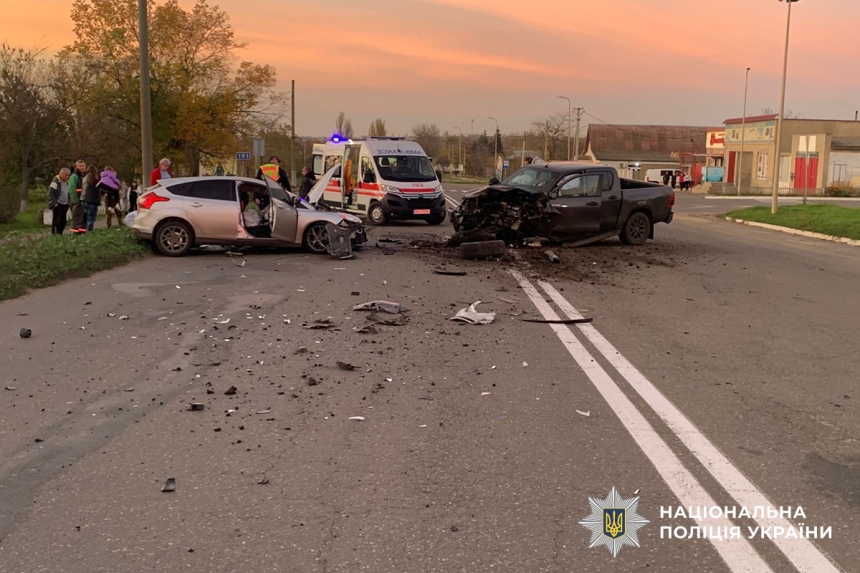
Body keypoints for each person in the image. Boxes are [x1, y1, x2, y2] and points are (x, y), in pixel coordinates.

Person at [48, 168, 71, 235]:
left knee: (63, 221)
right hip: (57, 203)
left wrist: (69, 202)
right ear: (61, 174)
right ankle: (54, 233)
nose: (67, 177)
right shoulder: (55, 182)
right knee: (56, 220)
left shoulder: (67, 182)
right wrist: (55, 203)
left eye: (68, 175)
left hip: (65, 204)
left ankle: (60, 233)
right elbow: (51, 193)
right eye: (66, 175)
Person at [67, 160, 87, 234]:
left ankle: (82, 234)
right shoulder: (74, 176)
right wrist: (76, 201)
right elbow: (71, 189)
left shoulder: (85, 176)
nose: (82, 168)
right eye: (80, 166)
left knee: (84, 220)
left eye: (83, 166)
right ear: (76, 167)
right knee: (77, 219)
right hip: (77, 202)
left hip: (84, 201)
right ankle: (74, 235)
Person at [81, 165, 101, 232]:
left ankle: (84, 229)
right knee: (91, 217)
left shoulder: (84, 179)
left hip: (84, 200)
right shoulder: (95, 180)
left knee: (86, 217)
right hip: (92, 201)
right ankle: (89, 230)